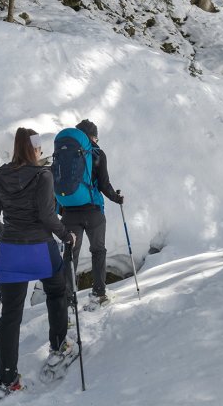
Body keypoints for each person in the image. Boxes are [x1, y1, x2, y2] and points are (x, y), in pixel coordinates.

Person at [0, 128, 79, 397]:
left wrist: (9, 236)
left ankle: (8, 378)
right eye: (38, 148)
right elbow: (48, 217)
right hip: (40, 249)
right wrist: (67, 235)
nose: (41, 152)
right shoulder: (43, 176)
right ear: (34, 149)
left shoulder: (0, 176)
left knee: (11, 314)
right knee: (57, 291)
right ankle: (59, 346)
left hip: (10, 253)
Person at [59, 119, 124, 308]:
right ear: (93, 137)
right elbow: (103, 184)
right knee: (98, 251)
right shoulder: (97, 154)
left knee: (71, 254)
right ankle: (99, 294)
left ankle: (68, 302)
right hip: (93, 211)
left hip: (69, 213)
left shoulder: (65, 153)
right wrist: (116, 198)